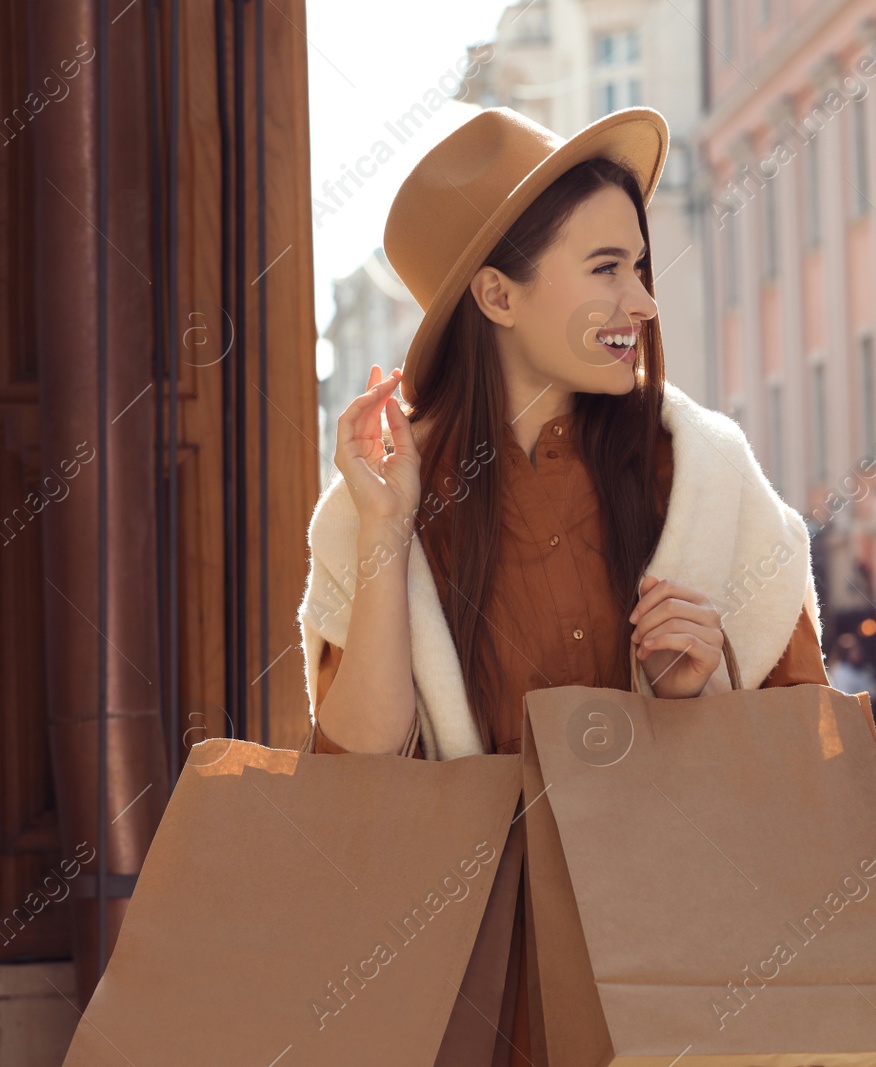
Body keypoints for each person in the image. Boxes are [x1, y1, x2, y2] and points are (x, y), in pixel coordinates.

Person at [296, 106, 828, 1065]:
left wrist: (696, 688)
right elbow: (354, 776)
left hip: (684, 984)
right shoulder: (379, 500)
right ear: (497, 296)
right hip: (468, 991)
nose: (643, 302)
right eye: (605, 270)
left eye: (640, 267)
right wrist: (384, 530)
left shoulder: (702, 475)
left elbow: (804, 752)